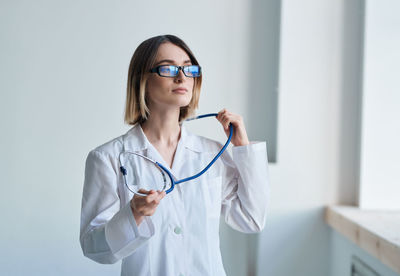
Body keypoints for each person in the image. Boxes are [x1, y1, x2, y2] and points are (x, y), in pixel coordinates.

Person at [80, 34, 269, 276]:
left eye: (189, 68)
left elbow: (252, 219)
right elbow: (95, 249)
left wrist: (243, 147)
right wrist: (133, 215)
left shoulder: (212, 154)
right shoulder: (107, 158)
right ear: (142, 80)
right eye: (167, 68)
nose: (182, 77)